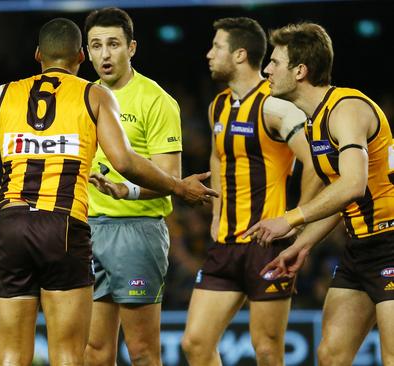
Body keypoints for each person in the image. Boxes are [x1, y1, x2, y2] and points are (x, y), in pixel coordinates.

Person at [0, 18, 216, 366]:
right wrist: (178, 186)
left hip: (11, 225)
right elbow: (124, 162)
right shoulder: (94, 95)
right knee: (69, 354)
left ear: (38, 54)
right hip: (65, 227)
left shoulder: (3, 94)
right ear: (81, 56)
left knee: (9, 354)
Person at [246, 22, 394, 365]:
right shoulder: (315, 120)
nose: (266, 69)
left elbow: (353, 184)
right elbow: (340, 195)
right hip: (360, 248)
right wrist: (303, 245)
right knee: (330, 355)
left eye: (275, 62)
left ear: (300, 71)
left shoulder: (346, 109)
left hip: (390, 244)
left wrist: (290, 219)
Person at [179, 18, 316, 366]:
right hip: (225, 245)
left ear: (240, 54)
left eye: (217, 47)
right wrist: (216, 213)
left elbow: (316, 164)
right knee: (195, 344)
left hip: (266, 248)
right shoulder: (218, 106)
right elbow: (217, 157)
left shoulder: (276, 107)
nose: (209, 54)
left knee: (268, 351)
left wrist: (294, 220)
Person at [81, 8, 184, 365]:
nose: (105, 54)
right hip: (87, 230)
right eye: (96, 45)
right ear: (87, 52)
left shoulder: (156, 100)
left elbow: (170, 176)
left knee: (141, 352)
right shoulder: (83, 97)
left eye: (113, 44)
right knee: (94, 351)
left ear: (132, 48)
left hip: (136, 232)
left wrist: (130, 191)